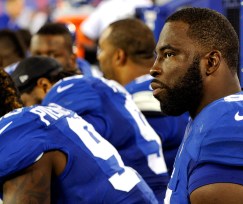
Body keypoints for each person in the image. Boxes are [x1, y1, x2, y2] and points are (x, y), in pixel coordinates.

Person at [149, 7, 243, 203]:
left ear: (211, 62)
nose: (153, 69)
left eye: (169, 54)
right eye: (157, 56)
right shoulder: (216, 114)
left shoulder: (235, 122)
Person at [11, 56, 169, 203]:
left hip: (135, 190)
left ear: (44, 85)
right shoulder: (94, 84)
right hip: (151, 188)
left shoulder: (63, 94)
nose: (26, 110)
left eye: (25, 103)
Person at [97, 18, 189, 174]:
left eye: (102, 50)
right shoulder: (176, 83)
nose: (99, 57)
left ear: (119, 56)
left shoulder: (135, 100)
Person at [30, 22, 98, 76]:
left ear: (72, 60)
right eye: (37, 55)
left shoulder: (92, 89)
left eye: (52, 55)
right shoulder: (22, 85)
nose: (42, 62)